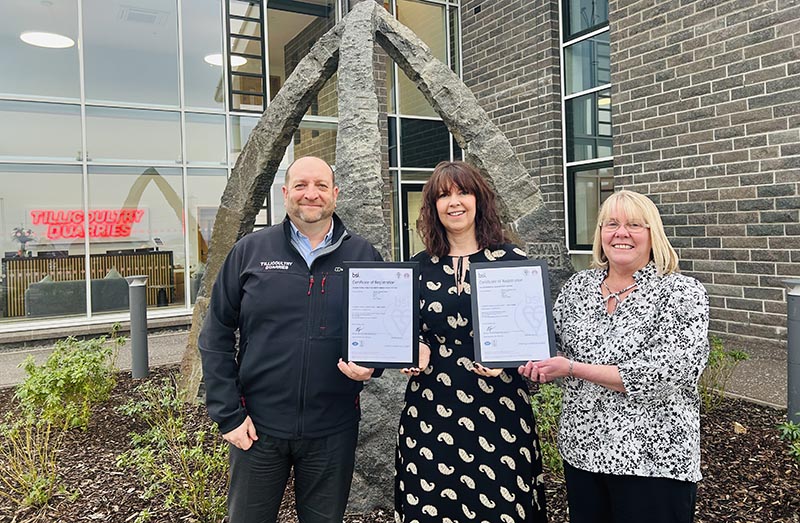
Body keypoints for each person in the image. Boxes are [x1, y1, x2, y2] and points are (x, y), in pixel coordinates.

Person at [199, 156, 382, 523]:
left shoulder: (364, 256)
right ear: (285, 193)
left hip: (333, 429)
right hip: (257, 428)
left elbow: (380, 330)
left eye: (320, 186)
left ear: (335, 194)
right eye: (300, 185)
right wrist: (228, 415)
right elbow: (215, 333)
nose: (310, 194)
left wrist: (374, 366)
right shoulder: (250, 252)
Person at [519, 189, 709, 523]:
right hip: (583, 454)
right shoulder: (579, 287)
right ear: (600, 234)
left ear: (653, 234)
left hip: (653, 460)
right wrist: (514, 360)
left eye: (635, 225)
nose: (621, 233)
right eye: (611, 224)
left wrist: (573, 368)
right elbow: (547, 344)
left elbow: (660, 374)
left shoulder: (680, 292)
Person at [395, 161, 548, 522]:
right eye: (444, 195)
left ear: (479, 199)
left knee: (501, 507)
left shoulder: (513, 263)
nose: (454, 202)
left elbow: (537, 336)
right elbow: (406, 329)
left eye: (463, 192)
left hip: (499, 409)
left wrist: (510, 358)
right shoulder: (417, 268)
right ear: (433, 207)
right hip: (431, 409)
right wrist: (415, 348)